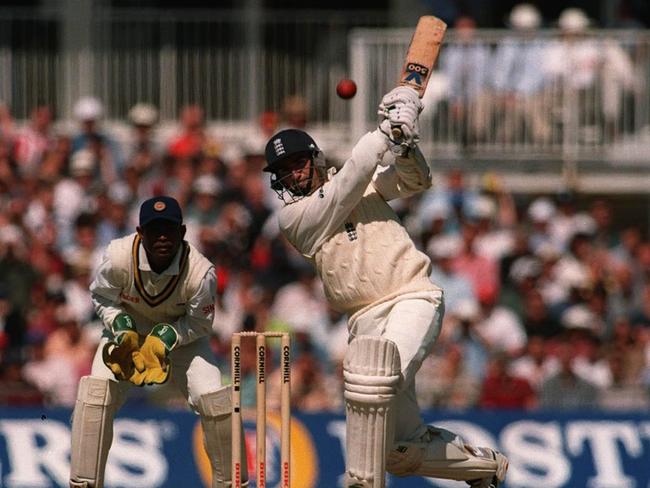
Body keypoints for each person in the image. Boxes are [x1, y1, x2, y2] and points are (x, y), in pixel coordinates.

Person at [262, 86, 508, 487]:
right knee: (397, 449)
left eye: (296, 162)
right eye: (282, 171)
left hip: (411, 298)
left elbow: (416, 181)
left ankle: (360, 484)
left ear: (314, 158)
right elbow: (345, 188)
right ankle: (484, 469)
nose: (291, 173)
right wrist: (384, 134)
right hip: (363, 320)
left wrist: (405, 145)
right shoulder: (294, 220)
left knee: (371, 381)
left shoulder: (359, 181)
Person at [68, 195, 247, 488]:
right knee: (95, 395)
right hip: (127, 335)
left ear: (183, 232)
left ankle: (232, 485)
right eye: (154, 230)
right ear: (140, 233)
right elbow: (102, 297)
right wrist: (121, 326)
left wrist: (167, 337)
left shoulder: (200, 273)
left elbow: (201, 323)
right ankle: (83, 485)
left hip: (181, 337)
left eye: (169, 230)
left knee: (217, 401)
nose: (162, 237)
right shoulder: (117, 256)